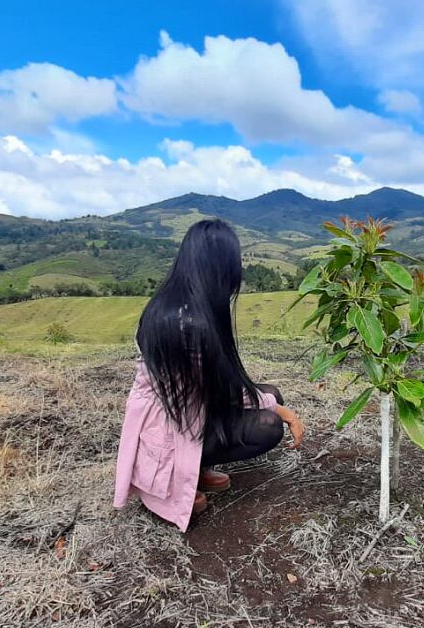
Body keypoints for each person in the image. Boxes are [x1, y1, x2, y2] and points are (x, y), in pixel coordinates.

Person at [113, 219, 306, 530]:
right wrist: (283, 412)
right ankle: (177, 477)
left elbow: (220, 384)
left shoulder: (175, 305)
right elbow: (223, 391)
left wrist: (273, 401)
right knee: (269, 423)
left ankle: (197, 466)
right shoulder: (187, 325)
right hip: (168, 429)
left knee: (271, 396)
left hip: (184, 413)